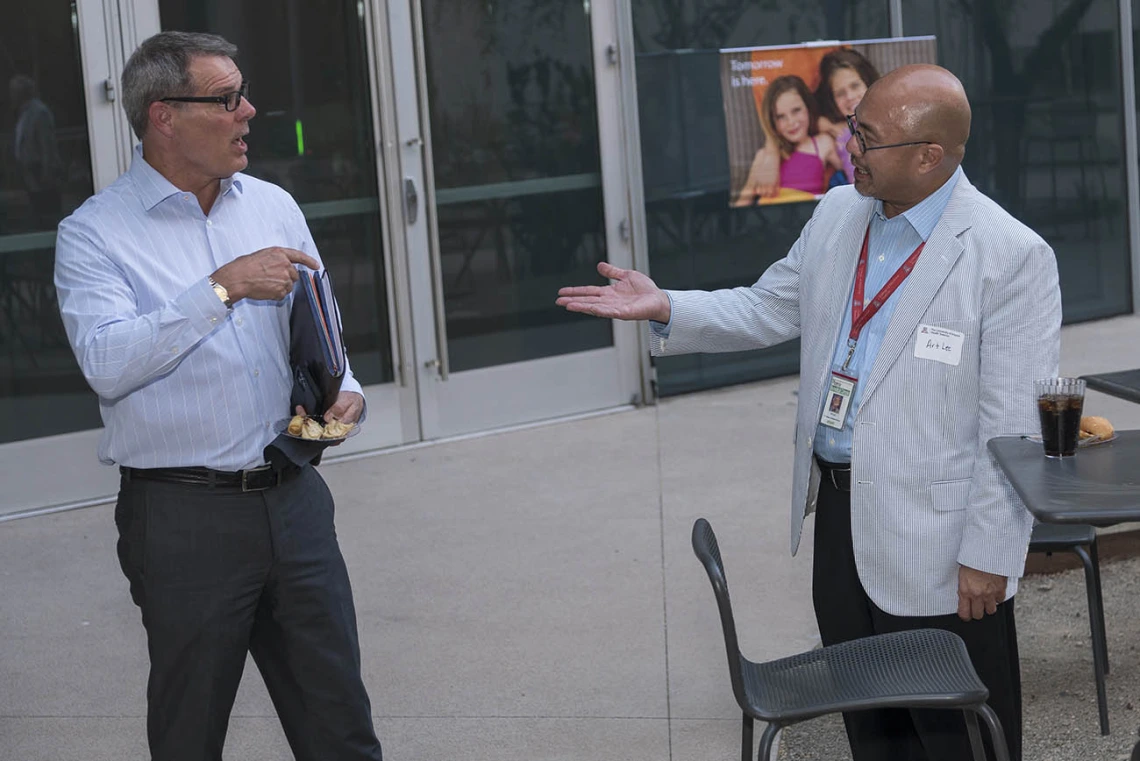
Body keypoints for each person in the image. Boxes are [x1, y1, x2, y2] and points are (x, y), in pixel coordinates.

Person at [557, 64, 1061, 761]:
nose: (851, 145)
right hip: (840, 524)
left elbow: (1014, 427)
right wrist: (668, 304)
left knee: (957, 742)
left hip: (943, 553)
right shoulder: (836, 214)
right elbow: (767, 305)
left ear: (929, 156)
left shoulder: (1009, 257)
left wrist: (990, 555)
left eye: (870, 137)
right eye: (855, 128)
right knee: (872, 731)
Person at [53, 32, 383, 761]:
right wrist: (222, 288)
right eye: (227, 98)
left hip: (295, 502)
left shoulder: (271, 203)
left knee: (341, 729)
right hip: (181, 519)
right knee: (189, 733)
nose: (250, 111)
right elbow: (107, 362)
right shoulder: (93, 235)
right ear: (164, 115)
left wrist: (345, 390)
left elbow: (320, 327)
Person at [737, 49, 880, 205]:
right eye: (840, 93)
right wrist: (771, 149)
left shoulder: (826, 141)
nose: (850, 96)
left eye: (855, 85)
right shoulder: (841, 136)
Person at [10, 74, 64, 227]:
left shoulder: (39, 112)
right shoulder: (24, 112)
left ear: (22, 92)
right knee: (37, 214)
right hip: (31, 173)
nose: (11, 96)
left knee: (47, 215)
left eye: (14, 92)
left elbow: (47, 145)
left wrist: (46, 174)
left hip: (41, 172)